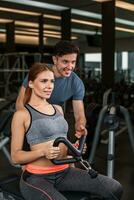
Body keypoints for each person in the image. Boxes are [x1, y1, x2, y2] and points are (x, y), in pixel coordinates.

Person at [11, 63, 123, 200]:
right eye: (43, 81)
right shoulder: (22, 114)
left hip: (65, 172)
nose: (49, 86)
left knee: (114, 188)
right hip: (37, 178)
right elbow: (15, 157)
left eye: (52, 81)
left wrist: (74, 148)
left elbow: (62, 140)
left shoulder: (58, 109)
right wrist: (42, 152)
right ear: (31, 83)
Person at [15, 40, 86, 138]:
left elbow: (79, 115)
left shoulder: (76, 83)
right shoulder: (38, 72)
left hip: (53, 121)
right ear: (55, 60)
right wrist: (34, 124)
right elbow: (20, 104)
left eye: (73, 62)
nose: (70, 67)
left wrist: (80, 126)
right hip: (30, 118)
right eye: (65, 62)